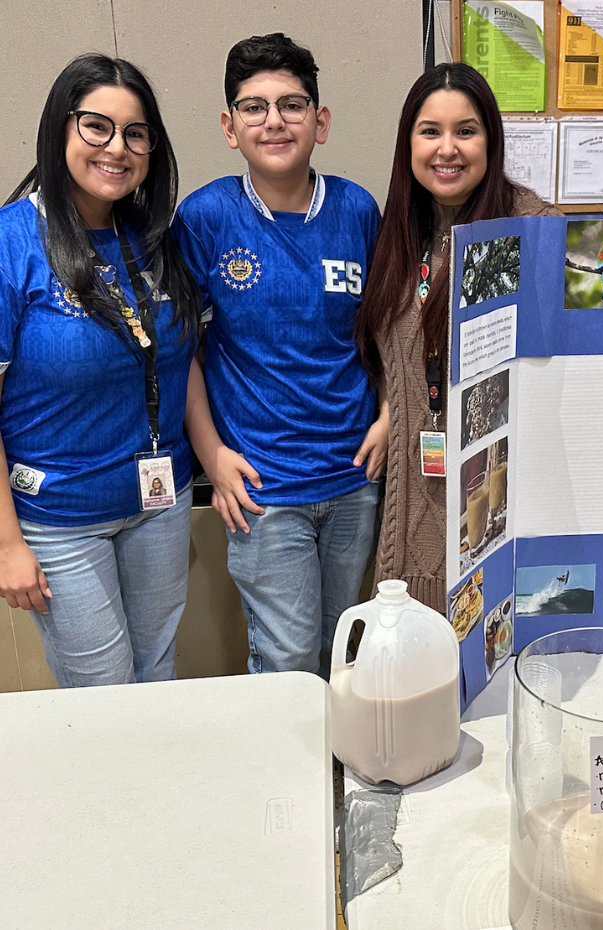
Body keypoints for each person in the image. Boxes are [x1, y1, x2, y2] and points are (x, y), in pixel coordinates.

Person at [175, 34, 386, 680]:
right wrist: (212, 455)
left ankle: (341, 776)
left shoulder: (357, 210)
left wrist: (389, 417)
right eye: (254, 107)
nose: (274, 121)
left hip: (355, 478)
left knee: (346, 651)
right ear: (229, 126)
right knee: (290, 659)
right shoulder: (206, 216)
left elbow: (386, 334)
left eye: (292, 105)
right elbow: (183, 351)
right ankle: (289, 784)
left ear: (320, 122)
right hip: (265, 488)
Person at [0, 54, 200, 687]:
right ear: (60, 129)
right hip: (59, 515)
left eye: (135, 133)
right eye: (96, 126)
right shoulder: (12, 242)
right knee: (103, 688)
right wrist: (7, 544)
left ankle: (153, 790)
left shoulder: (152, 237)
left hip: (159, 503)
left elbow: (181, 357)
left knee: (156, 666)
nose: (117, 147)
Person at [355, 63, 561, 615]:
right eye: (431, 131)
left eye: (465, 131)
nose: (448, 149)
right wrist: (390, 409)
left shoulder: (533, 227)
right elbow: (390, 349)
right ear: (409, 143)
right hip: (412, 486)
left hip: (495, 492)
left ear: (489, 140)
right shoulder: (398, 228)